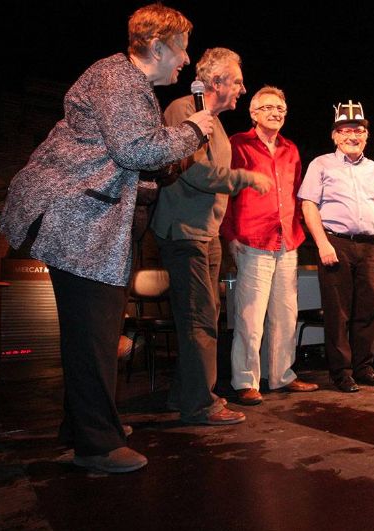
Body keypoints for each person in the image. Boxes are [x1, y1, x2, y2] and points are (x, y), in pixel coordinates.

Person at [0, 4, 214, 473]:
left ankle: (82, 425)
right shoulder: (117, 78)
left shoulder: (133, 87)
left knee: (91, 330)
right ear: (157, 46)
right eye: (182, 49)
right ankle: (96, 443)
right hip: (73, 217)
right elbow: (135, 149)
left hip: (88, 224)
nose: (185, 60)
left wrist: (169, 160)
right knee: (93, 331)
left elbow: (136, 160)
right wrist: (194, 129)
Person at [150, 48, 270, 424]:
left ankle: (183, 394)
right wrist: (245, 178)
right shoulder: (183, 112)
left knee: (205, 317)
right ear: (216, 82)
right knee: (198, 318)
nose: (242, 89)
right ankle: (201, 404)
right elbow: (194, 172)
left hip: (207, 234)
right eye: (237, 81)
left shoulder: (217, 126)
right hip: (183, 233)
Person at [219, 86, 317, 406]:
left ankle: (281, 375)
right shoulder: (238, 144)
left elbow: (296, 192)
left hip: (287, 240)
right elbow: (226, 190)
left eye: (281, 109)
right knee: (250, 317)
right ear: (254, 113)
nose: (276, 113)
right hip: (252, 238)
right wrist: (230, 234)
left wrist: (297, 227)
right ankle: (245, 380)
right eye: (269, 107)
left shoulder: (290, 149)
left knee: (286, 315)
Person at [297, 101, 374, 393]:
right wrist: (322, 244)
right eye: (345, 130)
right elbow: (308, 205)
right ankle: (341, 373)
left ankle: (363, 367)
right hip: (336, 243)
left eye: (358, 130)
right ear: (335, 135)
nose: (352, 136)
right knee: (338, 312)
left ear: (366, 135)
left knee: (368, 310)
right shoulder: (321, 164)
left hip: (369, 246)